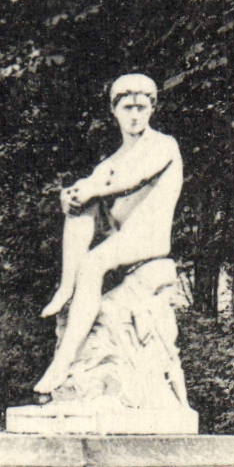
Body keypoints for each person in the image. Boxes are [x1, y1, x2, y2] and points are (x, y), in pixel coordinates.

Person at [35, 74, 183, 395]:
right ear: (114, 111)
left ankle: (63, 361)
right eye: (127, 107)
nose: (134, 115)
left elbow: (132, 179)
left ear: (151, 109)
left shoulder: (163, 145)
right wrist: (71, 196)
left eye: (141, 107)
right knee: (79, 206)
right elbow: (96, 185)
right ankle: (66, 287)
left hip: (150, 242)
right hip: (124, 241)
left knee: (92, 263)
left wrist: (88, 189)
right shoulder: (110, 163)